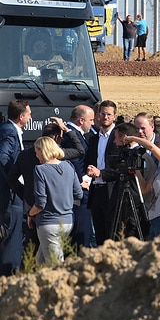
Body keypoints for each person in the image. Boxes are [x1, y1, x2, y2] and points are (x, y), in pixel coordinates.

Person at [86, 122, 156, 241]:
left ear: (124, 137)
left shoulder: (140, 157)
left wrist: (102, 173)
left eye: (116, 138)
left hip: (133, 211)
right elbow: (118, 171)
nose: (114, 141)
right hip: (125, 208)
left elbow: (140, 187)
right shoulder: (129, 155)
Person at [27, 137, 82, 265]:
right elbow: (78, 194)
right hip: (68, 221)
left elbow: (41, 203)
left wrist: (30, 214)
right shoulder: (68, 166)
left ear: (42, 150)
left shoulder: (40, 169)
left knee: (55, 265)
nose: (36, 155)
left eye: (36, 151)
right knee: (41, 261)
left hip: (49, 223)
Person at [0, 100, 31, 275]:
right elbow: (3, 156)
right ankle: (9, 279)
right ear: (21, 116)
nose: (30, 117)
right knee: (11, 240)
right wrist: (14, 182)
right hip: (10, 197)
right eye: (29, 114)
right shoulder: (9, 132)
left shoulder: (9, 129)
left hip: (9, 195)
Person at [61, 104, 95, 248]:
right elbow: (75, 163)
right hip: (79, 193)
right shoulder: (72, 136)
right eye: (91, 120)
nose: (93, 123)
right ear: (81, 120)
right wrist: (83, 181)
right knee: (80, 238)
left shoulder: (76, 134)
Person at [86, 100, 120, 245]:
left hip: (112, 192)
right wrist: (88, 172)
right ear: (98, 116)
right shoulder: (93, 139)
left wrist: (101, 173)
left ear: (115, 116)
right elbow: (88, 160)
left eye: (109, 114)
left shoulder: (118, 139)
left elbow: (120, 168)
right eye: (103, 114)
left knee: (112, 235)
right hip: (96, 191)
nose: (105, 117)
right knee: (99, 235)